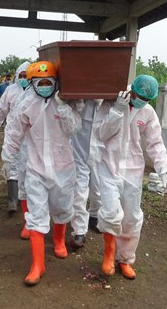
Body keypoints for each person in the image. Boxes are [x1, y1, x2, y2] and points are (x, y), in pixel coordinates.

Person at [1, 61, 82, 286]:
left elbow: (74, 129)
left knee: (62, 208)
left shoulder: (66, 102)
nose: (45, 86)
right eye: (41, 82)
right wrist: (8, 158)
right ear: (33, 83)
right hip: (36, 168)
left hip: (64, 168)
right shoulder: (26, 104)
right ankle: (38, 264)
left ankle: (58, 241)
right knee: (36, 214)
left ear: (55, 82)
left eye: (49, 82)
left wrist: (64, 107)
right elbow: (14, 132)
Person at [94, 74, 167, 280]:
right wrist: (116, 112)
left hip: (133, 169)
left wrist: (163, 169)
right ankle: (109, 254)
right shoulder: (110, 103)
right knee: (111, 213)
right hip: (109, 166)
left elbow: (155, 142)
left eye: (147, 99)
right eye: (139, 96)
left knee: (131, 217)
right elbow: (101, 134)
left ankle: (126, 259)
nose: (142, 101)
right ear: (133, 90)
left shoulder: (147, 112)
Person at [0, 61, 30, 213]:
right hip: (13, 133)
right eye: (21, 76)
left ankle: (25, 198)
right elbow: (2, 109)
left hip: (29, 135)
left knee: (27, 165)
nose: (23, 78)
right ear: (16, 76)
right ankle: (12, 201)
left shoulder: (35, 91)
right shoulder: (10, 90)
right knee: (10, 163)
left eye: (26, 76)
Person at [69, 99, 101, 249]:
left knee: (99, 187)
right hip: (79, 149)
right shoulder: (79, 101)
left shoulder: (114, 103)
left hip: (102, 153)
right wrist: (79, 101)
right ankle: (79, 230)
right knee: (79, 190)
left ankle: (95, 216)